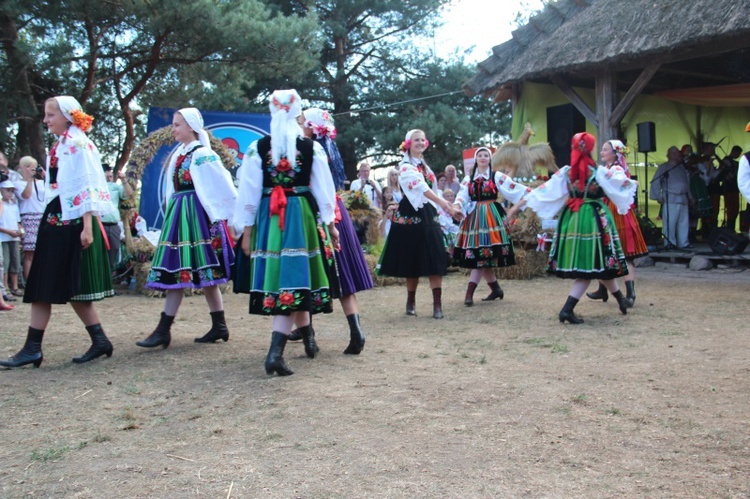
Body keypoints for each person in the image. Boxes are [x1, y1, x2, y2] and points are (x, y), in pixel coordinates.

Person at [0, 96, 115, 368]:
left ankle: (34, 349)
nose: (45, 120)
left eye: (50, 114)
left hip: (70, 220)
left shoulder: (77, 145)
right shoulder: (64, 144)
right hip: (58, 217)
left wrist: (87, 226)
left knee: (49, 282)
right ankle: (96, 341)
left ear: (67, 115)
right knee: (50, 282)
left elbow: (87, 184)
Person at [235, 89, 339, 376]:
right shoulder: (310, 147)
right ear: (298, 113)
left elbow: (249, 191)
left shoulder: (258, 147)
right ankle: (275, 354)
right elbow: (323, 188)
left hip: (270, 216)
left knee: (291, 278)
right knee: (293, 279)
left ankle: (309, 341)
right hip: (300, 215)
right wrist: (330, 223)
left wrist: (247, 230)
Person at [135, 107, 237, 349]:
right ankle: (217, 326)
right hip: (180, 214)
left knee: (189, 270)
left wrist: (229, 219)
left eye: (177, 125)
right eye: (173, 124)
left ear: (191, 126)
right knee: (188, 271)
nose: (174, 129)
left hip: (196, 217)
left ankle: (166, 330)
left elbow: (222, 185)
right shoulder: (180, 153)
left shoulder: (202, 154)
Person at [520, 132, 635, 324]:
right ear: (590, 148)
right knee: (591, 265)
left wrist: (521, 202)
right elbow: (619, 185)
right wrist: (632, 184)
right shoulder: (598, 171)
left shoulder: (566, 172)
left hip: (573, 220)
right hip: (593, 219)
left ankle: (620, 299)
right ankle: (567, 309)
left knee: (598, 264)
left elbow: (545, 191)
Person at [293, 107, 372, 355]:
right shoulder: (329, 150)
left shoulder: (307, 150)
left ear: (310, 127)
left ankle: (309, 335)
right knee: (343, 275)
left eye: (302, 121)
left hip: (314, 211)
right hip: (336, 208)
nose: (298, 124)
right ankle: (356, 332)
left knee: (307, 272)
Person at [376, 129, 459, 319]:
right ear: (408, 144)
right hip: (410, 214)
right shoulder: (405, 166)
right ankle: (410, 301)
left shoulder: (425, 167)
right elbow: (420, 188)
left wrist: (449, 208)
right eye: (416, 140)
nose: (420, 142)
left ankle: (437, 305)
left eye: (422, 139)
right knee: (411, 258)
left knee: (435, 256)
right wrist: (444, 204)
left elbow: (434, 190)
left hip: (429, 213)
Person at [453, 147, 530, 306]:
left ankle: (470, 293)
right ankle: (495, 289)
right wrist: (457, 207)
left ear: (490, 159)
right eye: (480, 155)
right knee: (483, 255)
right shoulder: (469, 179)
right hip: (475, 219)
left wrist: (517, 206)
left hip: (492, 218)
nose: (483, 158)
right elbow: (462, 196)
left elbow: (515, 189)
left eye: (486, 155)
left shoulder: (496, 176)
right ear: (476, 159)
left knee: (482, 254)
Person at [586, 140, 648, 306]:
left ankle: (630, 294)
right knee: (605, 252)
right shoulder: (608, 169)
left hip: (617, 212)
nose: (601, 153)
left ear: (615, 153)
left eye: (605, 150)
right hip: (609, 209)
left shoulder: (617, 168)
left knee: (624, 254)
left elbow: (621, 181)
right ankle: (603, 290)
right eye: (602, 150)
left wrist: (630, 182)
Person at [650, 146, 692, 249]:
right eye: (674, 153)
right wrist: (658, 196)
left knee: (683, 222)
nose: (676, 155)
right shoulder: (664, 167)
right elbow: (655, 181)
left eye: (677, 153)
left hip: (683, 198)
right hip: (671, 199)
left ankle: (683, 243)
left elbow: (687, 183)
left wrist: (690, 197)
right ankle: (670, 243)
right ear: (668, 155)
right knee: (670, 223)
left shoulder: (681, 167)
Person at [14, 156, 46, 280]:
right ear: (22, 168)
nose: (31, 169)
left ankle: (42, 280)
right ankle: (30, 282)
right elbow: (26, 195)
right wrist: (29, 180)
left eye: (33, 166)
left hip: (42, 217)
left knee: (42, 251)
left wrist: (43, 173)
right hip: (28, 218)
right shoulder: (17, 183)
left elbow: (54, 188)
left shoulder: (42, 182)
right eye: (28, 166)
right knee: (30, 253)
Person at [100, 164, 134, 273]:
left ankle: (108, 281)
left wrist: (123, 179)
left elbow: (129, 193)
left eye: (111, 176)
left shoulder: (115, 187)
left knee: (113, 250)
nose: (109, 178)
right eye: (107, 176)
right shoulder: (95, 186)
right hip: (100, 224)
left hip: (113, 225)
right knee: (100, 253)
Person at [0, 180, 22, 297]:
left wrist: (20, 230)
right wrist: (8, 231)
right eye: (7, 190)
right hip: (3, 237)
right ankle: (6, 288)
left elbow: (17, 221)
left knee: (15, 261)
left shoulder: (14, 205)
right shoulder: (1, 204)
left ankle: (15, 287)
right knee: (5, 262)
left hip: (14, 237)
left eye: (12, 190)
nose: (10, 193)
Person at [717, 145, 742, 231]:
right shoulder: (726, 160)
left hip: (734, 188)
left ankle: (732, 227)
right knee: (731, 208)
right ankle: (730, 228)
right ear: (734, 152)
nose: (738, 156)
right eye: (738, 154)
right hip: (728, 188)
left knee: (735, 208)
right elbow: (724, 173)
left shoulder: (734, 162)